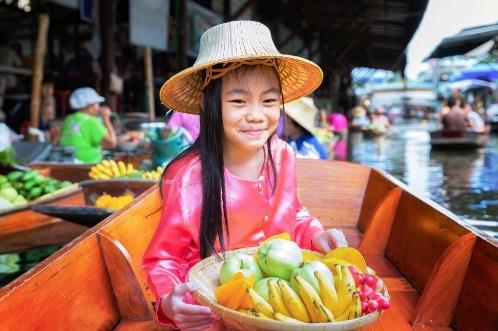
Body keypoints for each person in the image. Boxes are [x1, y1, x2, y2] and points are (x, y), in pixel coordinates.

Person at [142, 21, 348, 330]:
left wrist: (316, 234)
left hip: (278, 299)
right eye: (238, 101)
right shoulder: (187, 175)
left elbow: (295, 212)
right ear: (206, 103)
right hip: (214, 308)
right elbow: (165, 259)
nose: (256, 114)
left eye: (268, 101)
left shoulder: (282, 154)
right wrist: (172, 301)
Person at [60, 87, 117, 163]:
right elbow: (112, 143)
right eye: (97, 103)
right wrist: (106, 118)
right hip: (88, 165)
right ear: (89, 105)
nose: (98, 107)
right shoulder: (91, 121)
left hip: (68, 163)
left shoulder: (68, 119)